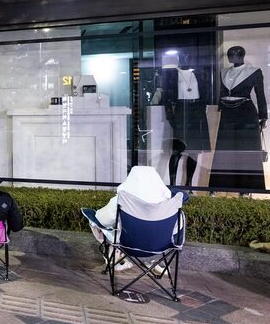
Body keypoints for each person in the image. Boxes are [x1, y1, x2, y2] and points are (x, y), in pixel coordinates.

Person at [88, 166, 185, 271]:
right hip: (161, 247)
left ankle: (113, 258)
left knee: (98, 223)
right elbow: (178, 228)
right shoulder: (170, 204)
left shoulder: (121, 200)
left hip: (128, 246)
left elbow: (102, 220)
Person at [209, 46, 267, 192]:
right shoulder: (224, 72)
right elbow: (222, 92)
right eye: (229, 54)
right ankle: (219, 186)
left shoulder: (254, 71)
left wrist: (263, 116)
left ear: (241, 55)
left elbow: (260, 95)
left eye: (234, 54)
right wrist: (219, 107)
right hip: (227, 113)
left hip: (246, 112)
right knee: (224, 149)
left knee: (246, 149)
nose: (230, 56)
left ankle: (246, 188)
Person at [161, 50, 210, 186]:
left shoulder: (199, 73)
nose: (185, 58)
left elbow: (205, 92)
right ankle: (172, 184)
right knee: (177, 149)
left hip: (197, 110)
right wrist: (170, 115)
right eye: (182, 56)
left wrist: (202, 109)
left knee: (194, 151)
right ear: (178, 58)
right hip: (181, 110)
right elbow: (166, 97)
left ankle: (189, 184)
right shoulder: (171, 74)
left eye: (188, 56)